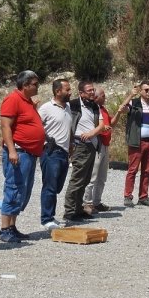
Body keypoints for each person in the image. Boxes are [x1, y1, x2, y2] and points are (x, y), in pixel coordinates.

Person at [0, 70, 44, 243]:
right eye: (35, 84)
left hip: (29, 153)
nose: (37, 87)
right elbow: (5, 126)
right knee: (14, 187)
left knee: (22, 190)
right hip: (19, 152)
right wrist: (11, 150)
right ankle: (4, 229)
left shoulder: (27, 101)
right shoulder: (13, 99)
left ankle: (12, 226)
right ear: (25, 85)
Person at [63, 81, 106, 222]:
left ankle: (78, 209)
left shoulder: (95, 106)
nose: (92, 93)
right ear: (81, 93)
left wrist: (92, 133)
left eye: (93, 90)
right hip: (79, 145)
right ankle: (69, 211)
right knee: (77, 179)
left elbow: (101, 125)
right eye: (89, 91)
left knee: (86, 179)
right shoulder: (72, 105)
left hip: (92, 146)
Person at [114, 81, 149, 207]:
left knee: (146, 171)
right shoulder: (134, 103)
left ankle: (143, 197)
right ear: (140, 91)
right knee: (133, 170)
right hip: (136, 142)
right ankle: (128, 196)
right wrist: (131, 95)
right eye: (146, 90)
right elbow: (121, 108)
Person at [39, 79, 73, 230]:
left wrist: (71, 145)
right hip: (51, 152)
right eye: (67, 89)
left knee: (57, 186)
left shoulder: (68, 108)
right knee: (50, 186)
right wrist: (45, 142)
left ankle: (51, 216)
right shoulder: (46, 108)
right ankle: (46, 219)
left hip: (64, 152)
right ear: (58, 91)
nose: (70, 92)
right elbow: (36, 127)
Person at [83, 87, 115, 214]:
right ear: (96, 97)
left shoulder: (103, 110)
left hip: (105, 145)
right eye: (103, 95)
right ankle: (87, 202)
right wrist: (101, 128)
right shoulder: (92, 110)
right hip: (97, 144)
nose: (105, 97)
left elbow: (110, 123)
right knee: (93, 175)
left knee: (102, 176)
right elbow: (90, 126)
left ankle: (97, 201)